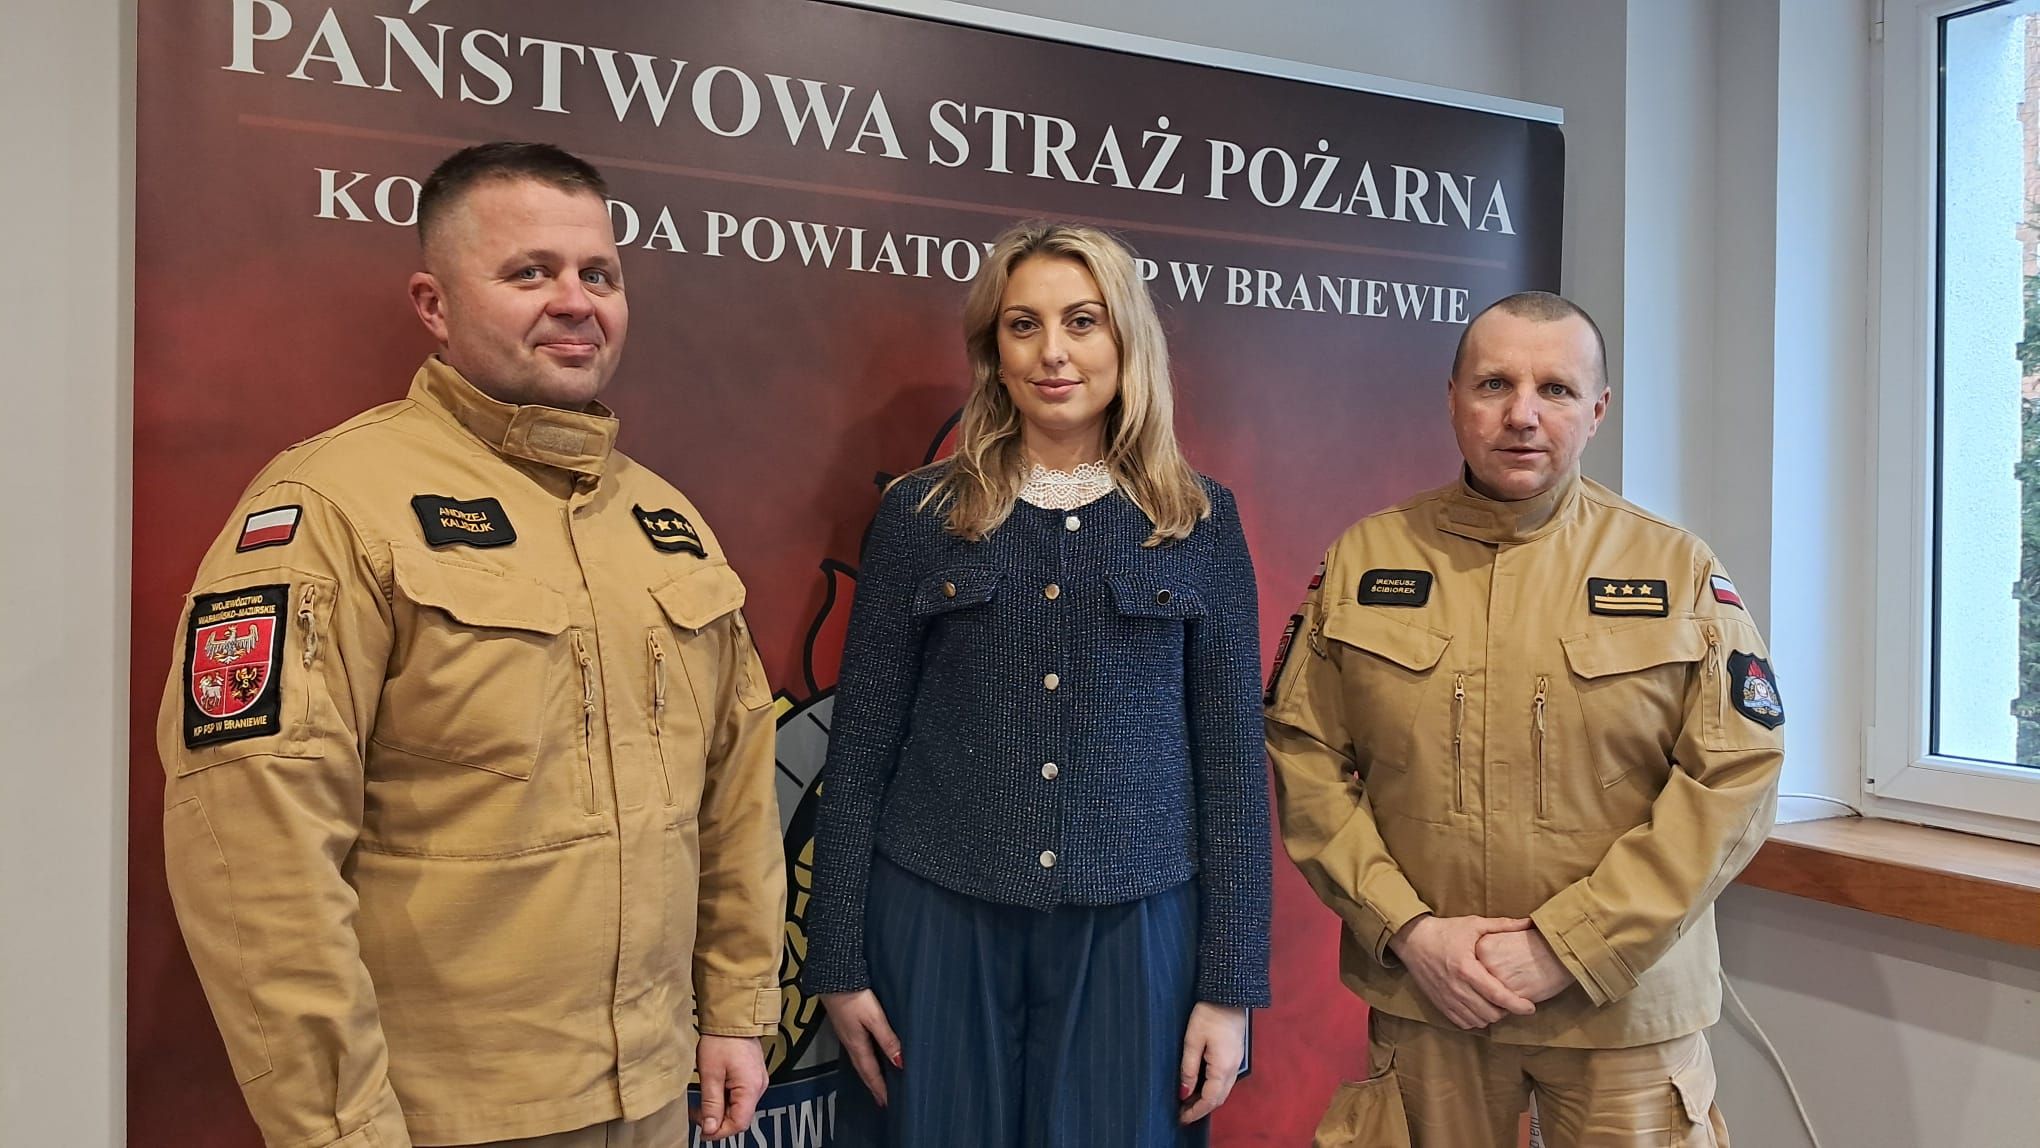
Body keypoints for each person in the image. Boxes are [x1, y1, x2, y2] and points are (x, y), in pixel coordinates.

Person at [156, 142, 785, 1148]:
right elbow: (256, 851)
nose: (575, 301)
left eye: (599, 274)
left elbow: (737, 790)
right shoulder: (333, 507)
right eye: (530, 272)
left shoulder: (664, 522)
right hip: (445, 1114)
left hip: (656, 1091)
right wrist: (342, 1128)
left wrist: (737, 1008)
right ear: (434, 303)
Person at [1267, 292, 1784, 1147]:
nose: (1522, 414)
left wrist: (1570, 944)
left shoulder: (1674, 569)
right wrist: (1409, 930)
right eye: (1494, 384)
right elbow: (1303, 753)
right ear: (1453, 399)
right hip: (1433, 1001)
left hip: (1621, 1010)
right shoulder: (1367, 559)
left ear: (1597, 410)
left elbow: (1735, 775)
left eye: (1556, 389)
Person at [801, 221, 1272, 1146]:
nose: (1053, 351)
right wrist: (838, 963)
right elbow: (858, 755)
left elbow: (1231, 771)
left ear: (1126, 340)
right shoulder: (920, 514)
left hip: (1136, 932)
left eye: (1082, 322)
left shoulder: (1199, 520)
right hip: (936, 919)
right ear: (994, 351)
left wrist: (1230, 987)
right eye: (1024, 325)